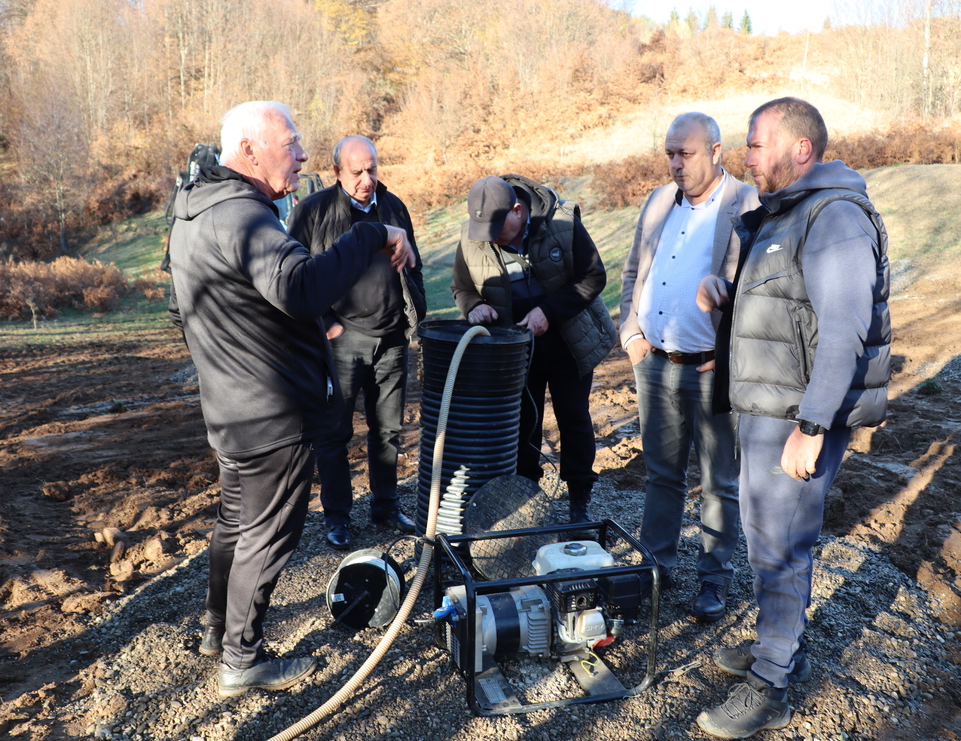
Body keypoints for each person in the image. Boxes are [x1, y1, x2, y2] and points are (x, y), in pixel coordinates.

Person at [168, 101, 414, 697]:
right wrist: (370, 235)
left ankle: (216, 630)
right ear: (250, 150)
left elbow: (183, 309)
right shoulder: (244, 217)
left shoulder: (194, 211)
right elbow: (301, 287)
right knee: (268, 532)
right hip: (269, 412)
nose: (303, 154)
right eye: (292, 143)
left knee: (235, 521)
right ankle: (241, 661)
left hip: (229, 408)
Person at [693, 97, 890, 738]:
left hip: (795, 419)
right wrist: (726, 300)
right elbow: (785, 313)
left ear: (799, 149)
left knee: (782, 546)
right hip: (763, 410)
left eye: (755, 143)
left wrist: (812, 426)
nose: (745, 155)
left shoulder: (834, 217)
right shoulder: (781, 215)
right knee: (763, 538)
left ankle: (771, 682)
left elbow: (843, 330)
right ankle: (770, 646)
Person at [619, 112, 759, 622]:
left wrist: (733, 355)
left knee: (718, 480)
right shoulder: (659, 201)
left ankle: (713, 581)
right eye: (670, 154)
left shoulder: (747, 204)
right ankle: (655, 569)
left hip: (711, 370)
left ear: (717, 152)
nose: (676, 164)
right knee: (661, 476)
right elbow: (635, 269)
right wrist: (631, 333)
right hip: (654, 363)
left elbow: (762, 289)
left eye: (687, 153)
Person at [451, 175, 617, 523]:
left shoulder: (562, 223)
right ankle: (525, 500)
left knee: (574, 418)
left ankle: (578, 501)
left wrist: (549, 312)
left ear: (517, 210)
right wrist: (473, 307)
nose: (491, 237)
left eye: (498, 228)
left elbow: (593, 277)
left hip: (569, 344)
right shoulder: (475, 233)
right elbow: (462, 287)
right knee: (522, 423)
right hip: (514, 351)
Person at [288, 135, 425, 550]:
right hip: (342, 341)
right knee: (334, 432)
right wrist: (327, 325)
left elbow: (414, 264)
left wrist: (411, 317)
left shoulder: (394, 206)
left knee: (388, 430)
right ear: (336, 173)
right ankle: (338, 517)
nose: (367, 179)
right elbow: (295, 277)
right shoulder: (314, 212)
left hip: (392, 338)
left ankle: (385, 505)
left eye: (373, 169)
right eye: (357, 172)